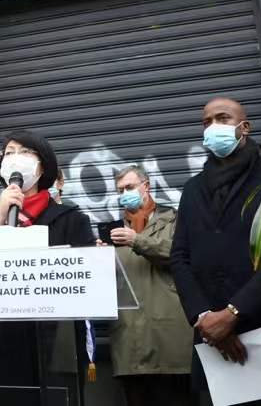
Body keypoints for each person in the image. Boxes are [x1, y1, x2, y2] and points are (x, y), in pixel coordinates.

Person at [170, 98, 261, 406]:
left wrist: (233, 313)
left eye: (223, 118)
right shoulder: (193, 188)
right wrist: (206, 318)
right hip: (212, 342)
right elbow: (180, 256)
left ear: (245, 127)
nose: (213, 126)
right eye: (207, 122)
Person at [0, 130, 95, 406]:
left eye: (25, 152)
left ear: (42, 165)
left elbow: (88, 278)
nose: (15, 158)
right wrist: (0, 218)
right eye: (9, 153)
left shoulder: (71, 220)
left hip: (53, 337)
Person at [108, 165, 192, 406]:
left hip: (170, 335)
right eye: (120, 190)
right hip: (130, 339)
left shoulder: (174, 219)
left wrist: (137, 240)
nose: (125, 194)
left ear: (146, 186)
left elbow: (178, 254)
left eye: (130, 187)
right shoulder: (114, 230)